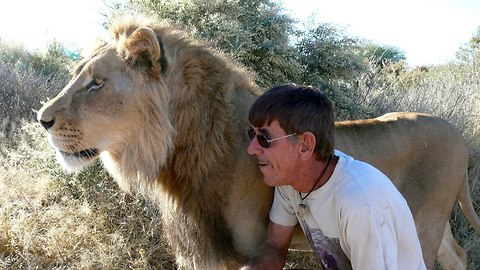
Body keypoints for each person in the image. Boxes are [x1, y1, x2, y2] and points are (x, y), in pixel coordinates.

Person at [241, 84, 426, 269]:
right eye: (252, 135)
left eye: (264, 139)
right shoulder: (289, 181)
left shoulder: (361, 204)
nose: (251, 149)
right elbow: (274, 247)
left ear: (305, 145)